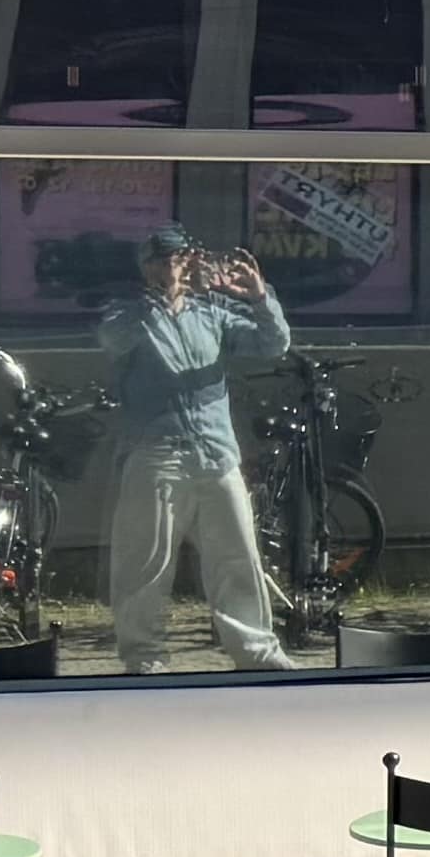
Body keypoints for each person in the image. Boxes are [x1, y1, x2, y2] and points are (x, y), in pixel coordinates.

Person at [98, 228, 293, 671]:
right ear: (146, 266)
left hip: (216, 453)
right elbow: (112, 341)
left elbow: (274, 344)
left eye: (181, 257)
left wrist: (260, 297)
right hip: (156, 453)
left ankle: (257, 654)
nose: (174, 266)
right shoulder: (127, 312)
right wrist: (160, 301)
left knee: (238, 556)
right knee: (144, 563)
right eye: (163, 259)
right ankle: (143, 658)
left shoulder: (213, 313)